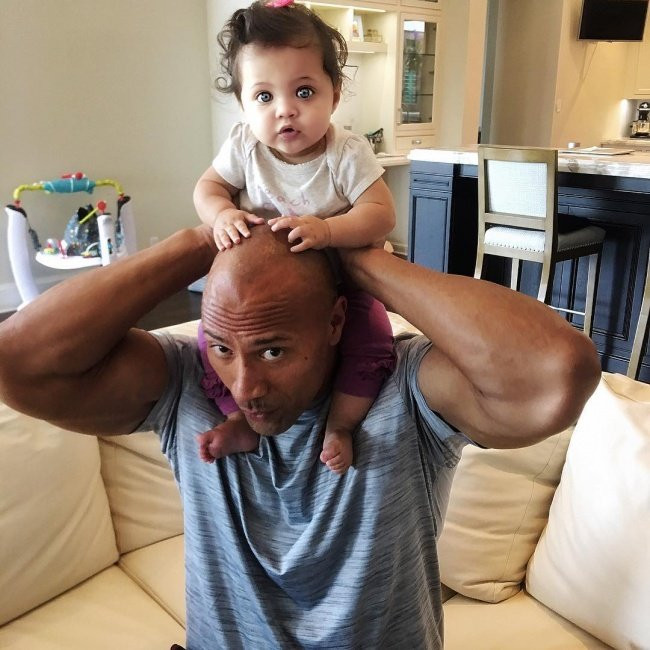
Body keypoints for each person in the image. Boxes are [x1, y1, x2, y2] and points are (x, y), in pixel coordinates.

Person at [0, 224, 601, 649]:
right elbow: (18, 363)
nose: (245, 387)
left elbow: (557, 374)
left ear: (337, 321)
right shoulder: (185, 383)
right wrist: (200, 242)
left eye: (273, 350)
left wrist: (358, 257)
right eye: (222, 348)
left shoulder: (405, 390)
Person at [193, 0, 397, 474]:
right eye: (264, 97)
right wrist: (222, 214)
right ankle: (237, 418)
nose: (285, 110)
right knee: (210, 339)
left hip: (339, 279)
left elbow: (380, 214)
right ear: (243, 105)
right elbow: (207, 187)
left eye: (304, 92)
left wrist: (328, 230)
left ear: (334, 95)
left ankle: (341, 424)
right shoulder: (245, 145)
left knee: (372, 336)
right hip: (262, 292)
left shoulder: (346, 152)